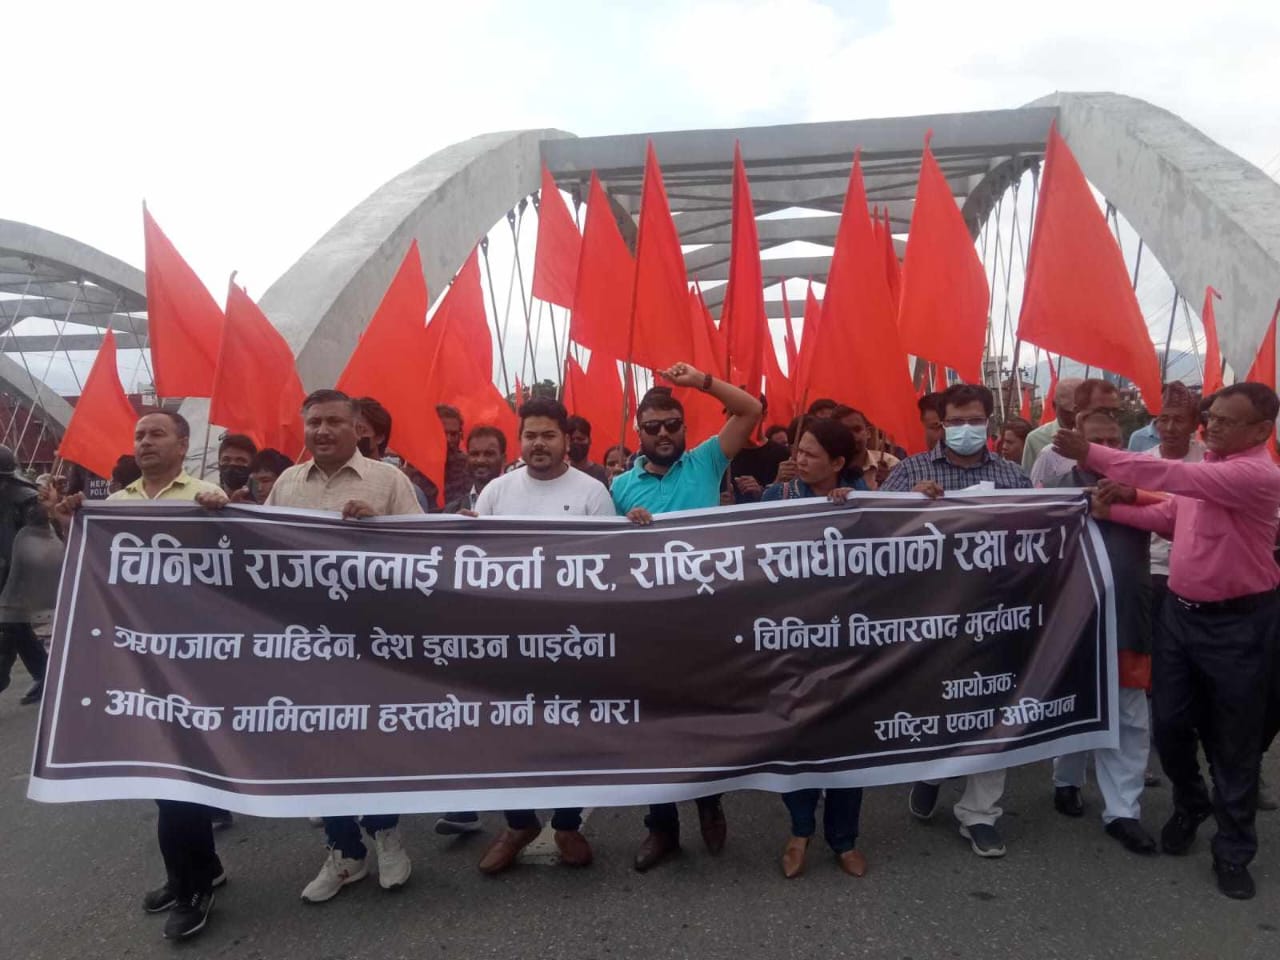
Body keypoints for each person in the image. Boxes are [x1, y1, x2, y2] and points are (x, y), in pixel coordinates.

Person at [1053, 383, 1280, 900]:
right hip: (1180, 615)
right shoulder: (1216, 469)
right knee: (1170, 725)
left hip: (1240, 625)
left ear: (1261, 431)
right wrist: (1114, 511)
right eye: (1211, 416)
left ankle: (1233, 850)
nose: (1212, 426)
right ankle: (1192, 801)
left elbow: (1172, 477)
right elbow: (1174, 515)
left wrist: (1092, 454)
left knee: (1234, 740)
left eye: (1226, 420)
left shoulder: (1255, 474)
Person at [216, 390, 422, 901]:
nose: (323, 431)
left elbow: (423, 550)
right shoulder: (287, 483)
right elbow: (258, 548)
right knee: (318, 745)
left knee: (371, 744)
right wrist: (221, 514)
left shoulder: (388, 480)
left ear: (356, 429)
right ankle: (344, 850)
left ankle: (386, 836)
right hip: (304, 642)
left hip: (372, 640)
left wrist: (380, 528)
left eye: (333, 421)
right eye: (314, 423)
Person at [52, 411, 228, 941]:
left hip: (195, 658)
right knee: (160, 773)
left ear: (183, 443)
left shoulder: (206, 498)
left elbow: (237, 569)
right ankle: (197, 869)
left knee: (177, 775)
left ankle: (193, 886)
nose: (145, 442)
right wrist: (67, 524)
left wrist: (225, 517)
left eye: (156, 434)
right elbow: (91, 570)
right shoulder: (114, 505)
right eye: (139, 435)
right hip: (137, 659)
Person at [610, 362, 762, 872]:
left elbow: (751, 410)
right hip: (646, 626)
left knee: (702, 722)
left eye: (672, 425)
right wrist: (626, 526)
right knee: (653, 728)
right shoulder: (619, 487)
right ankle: (662, 828)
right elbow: (602, 558)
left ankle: (709, 801)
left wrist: (700, 382)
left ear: (684, 427)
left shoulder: (706, 462)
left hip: (704, 621)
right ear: (639, 431)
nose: (663, 434)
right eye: (652, 427)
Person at [878, 384, 1031, 858]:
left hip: (996, 613)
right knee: (937, 703)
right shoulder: (910, 471)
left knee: (992, 707)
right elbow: (873, 532)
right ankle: (933, 772)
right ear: (941, 425)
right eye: (956, 421)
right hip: (932, 615)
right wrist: (907, 503)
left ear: (989, 422)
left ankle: (980, 813)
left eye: (975, 420)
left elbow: (1040, 534)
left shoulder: (1013, 477)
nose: (966, 429)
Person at [467, 398, 616, 873]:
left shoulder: (592, 493)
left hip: (572, 640)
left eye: (548, 435)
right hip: (507, 640)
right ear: (520, 440)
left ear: (565, 440)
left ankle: (567, 823)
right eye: (530, 435)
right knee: (508, 734)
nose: (538, 444)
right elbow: (474, 565)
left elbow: (609, 566)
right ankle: (518, 823)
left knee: (572, 735)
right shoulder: (496, 493)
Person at [1042, 411, 1157, 854]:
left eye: (1114, 440)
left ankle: (1123, 811)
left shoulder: (1142, 486)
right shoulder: (1055, 492)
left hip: (1127, 617)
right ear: (1075, 443)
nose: (1107, 447)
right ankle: (1066, 781)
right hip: (1072, 620)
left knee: (1129, 714)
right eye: (1097, 440)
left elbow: (1179, 505)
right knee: (1073, 702)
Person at [759, 419, 868, 878]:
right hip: (789, 641)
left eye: (811, 454)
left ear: (838, 463)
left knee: (846, 742)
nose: (799, 460)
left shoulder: (863, 499)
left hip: (846, 643)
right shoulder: (776, 496)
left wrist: (855, 508)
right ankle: (800, 829)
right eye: (798, 451)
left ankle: (844, 839)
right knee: (795, 739)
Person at [0, 497, 62, 706]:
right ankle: (45, 674)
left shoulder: (20, 497)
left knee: (8, 633)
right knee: (18, 631)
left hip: (17, 582)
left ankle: (45, 676)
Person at [0, 445, 43, 706]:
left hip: (19, 574)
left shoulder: (27, 500)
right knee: (17, 628)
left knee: (9, 627)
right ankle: (44, 672)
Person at [1030, 379, 1121, 486]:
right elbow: (1036, 495)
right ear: (1078, 412)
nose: (1111, 417)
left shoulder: (1125, 455)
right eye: (1102, 411)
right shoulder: (1051, 455)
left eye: (1115, 412)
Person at [729, 398, 789, 502]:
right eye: (734, 414)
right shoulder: (724, 455)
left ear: (764, 415)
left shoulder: (782, 455)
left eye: (748, 414)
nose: (741, 420)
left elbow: (792, 498)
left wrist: (763, 492)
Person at [442, 425, 509, 515]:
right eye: (474, 454)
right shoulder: (453, 510)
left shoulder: (518, 502)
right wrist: (457, 522)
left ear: (504, 459)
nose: (480, 460)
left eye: (489, 454)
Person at [1022, 376, 1083, 471]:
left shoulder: (1099, 436)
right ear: (1054, 406)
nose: (1073, 417)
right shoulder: (1035, 439)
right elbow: (1028, 477)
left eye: (1079, 411)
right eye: (1067, 412)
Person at [835, 405, 899, 491]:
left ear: (868, 433)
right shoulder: (828, 467)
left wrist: (891, 482)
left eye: (857, 430)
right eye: (845, 431)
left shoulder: (890, 463)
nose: (852, 436)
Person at [436, 404, 472, 508]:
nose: (448, 439)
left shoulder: (469, 466)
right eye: (443, 433)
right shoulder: (417, 468)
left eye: (453, 434)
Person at [565, 415, 610, 485]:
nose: (576, 443)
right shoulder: (558, 474)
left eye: (580, 439)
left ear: (589, 440)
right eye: (571, 440)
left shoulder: (603, 473)